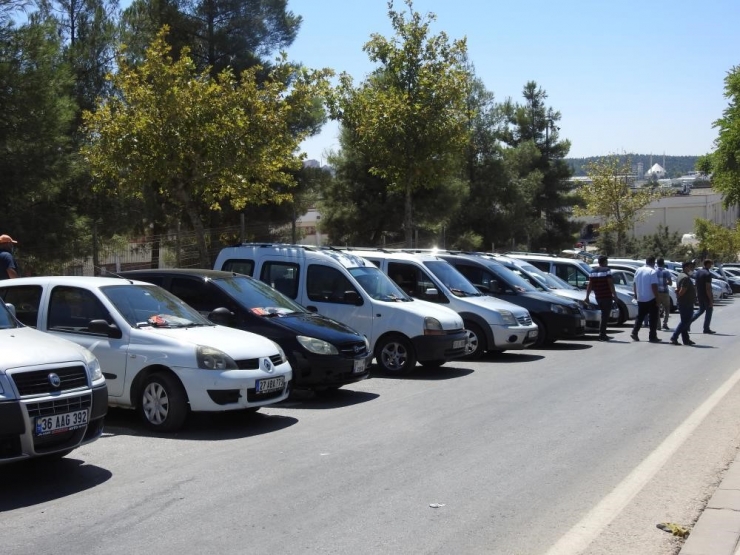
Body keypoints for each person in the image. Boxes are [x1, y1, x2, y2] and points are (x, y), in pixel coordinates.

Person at [584, 255, 617, 341]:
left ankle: (602, 333)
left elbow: (590, 285)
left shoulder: (592, 272)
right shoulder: (607, 270)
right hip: (606, 296)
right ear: (605, 262)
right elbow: (610, 283)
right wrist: (615, 295)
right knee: (605, 316)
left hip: (598, 296)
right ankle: (602, 334)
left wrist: (587, 296)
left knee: (603, 315)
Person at [631, 255, 661, 342]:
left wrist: (635, 294)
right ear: (653, 262)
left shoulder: (638, 270)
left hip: (641, 297)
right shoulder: (652, 271)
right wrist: (657, 298)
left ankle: (634, 332)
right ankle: (652, 336)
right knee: (653, 318)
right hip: (651, 297)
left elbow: (634, 283)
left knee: (640, 316)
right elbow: (654, 286)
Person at [670, 260, 697, 346]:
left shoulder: (680, 275)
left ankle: (686, 339)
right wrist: (678, 293)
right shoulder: (685, 278)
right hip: (686, 303)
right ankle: (674, 337)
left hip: (684, 302)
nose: (692, 269)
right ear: (686, 268)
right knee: (685, 321)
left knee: (685, 321)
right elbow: (682, 292)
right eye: (690, 267)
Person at [691, 258, 715, 334]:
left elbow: (695, 284)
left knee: (700, 310)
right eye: (711, 264)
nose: (711, 266)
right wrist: (711, 300)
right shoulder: (707, 274)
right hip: (706, 296)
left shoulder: (698, 272)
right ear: (707, 264)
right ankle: (706, 328)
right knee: (709, 311)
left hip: (700, 295)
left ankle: (687, 323)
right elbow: (708, 288)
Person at [655, 257, 673, 330]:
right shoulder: (666, 272)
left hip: (657, 293)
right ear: (663, 263)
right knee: (667, 308)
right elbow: (670, 283)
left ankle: (658, 325)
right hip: (665, 292)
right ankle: (665, 323)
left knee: (657, 309)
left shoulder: (654, 271)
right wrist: (665, 283)